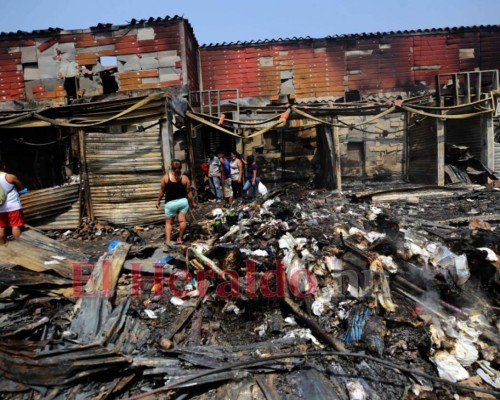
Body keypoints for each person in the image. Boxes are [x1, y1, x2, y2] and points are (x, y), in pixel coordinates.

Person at [155, 159, 196, 244]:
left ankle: (168, 241)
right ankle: (180, 239)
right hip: (182, 202)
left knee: (169, 223)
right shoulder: (185, 178)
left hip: (170, 203)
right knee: (182, 220)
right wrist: (193, 202)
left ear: (171, 167)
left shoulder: (165, 178)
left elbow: (162, 191)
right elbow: (189, 192)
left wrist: (158, 201)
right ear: (181, 167)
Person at [0, 162, 26, 245]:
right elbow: (21, 188)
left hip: (0, 207)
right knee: (15, 225)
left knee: (1, 227)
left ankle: (2, 247)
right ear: (3, 166)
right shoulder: (9, 177)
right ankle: (19, 246)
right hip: (13, 205)